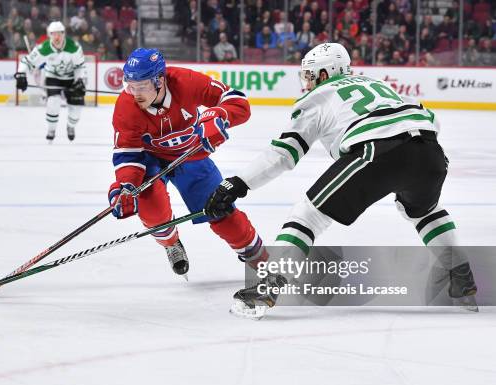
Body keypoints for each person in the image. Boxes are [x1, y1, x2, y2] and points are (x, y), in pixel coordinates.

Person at [205, 42, 478, 319]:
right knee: (424, 211)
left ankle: (267, 289)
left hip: (377, 150)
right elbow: (428, 119)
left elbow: (284, 154)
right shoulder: (377, 84)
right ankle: (463, 281)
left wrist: (237, 183)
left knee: (307, 215)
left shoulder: (318, 97)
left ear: (325, 74)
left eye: (310, 76)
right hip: (430, 150)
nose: (308, 83)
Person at [109, 48, 265, 279]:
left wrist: (219, 116)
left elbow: (238, 102)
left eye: (141, 86)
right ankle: (171, 243)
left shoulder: (186, 81)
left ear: (159, 80)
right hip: (151, 160)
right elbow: (128, 153)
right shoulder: (126, 106)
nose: (135, 93)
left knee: (221, 210)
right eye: (131, 86)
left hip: (191, 155)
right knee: (151, 207)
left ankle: (260, 259)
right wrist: (126, 186)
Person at [15, 21, 87, 142]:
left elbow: (80, 66)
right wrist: (21, 74)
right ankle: (51, 129)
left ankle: (71, 126)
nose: (56, 37)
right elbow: (27, 62)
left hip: (71, 78)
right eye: (53, 34)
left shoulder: (74, 47)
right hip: (53, 78)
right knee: (53, 102)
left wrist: (80, 80)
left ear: (64, 34)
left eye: (59, 34)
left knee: (76, 109)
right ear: (49, 35)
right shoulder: (44, 48)